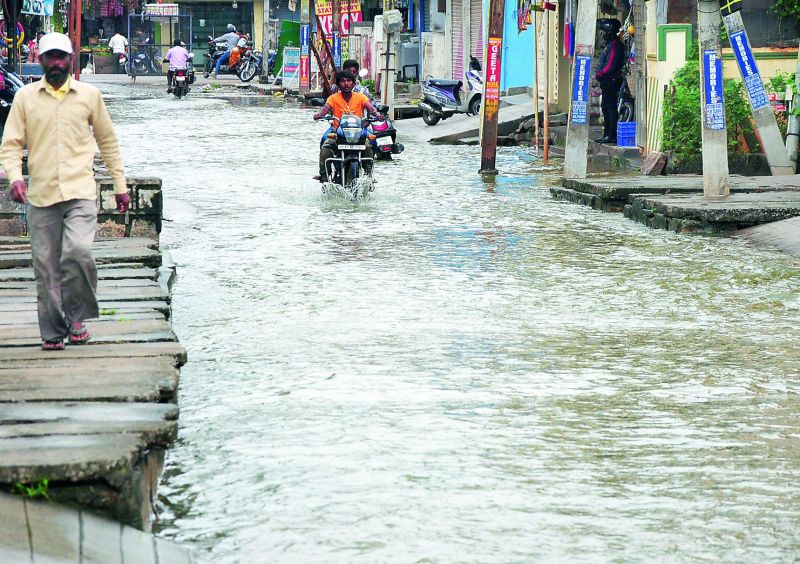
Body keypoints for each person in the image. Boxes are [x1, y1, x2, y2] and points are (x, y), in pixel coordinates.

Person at [0, 33, 130, 351]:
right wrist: (15, 177)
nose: (56, 63)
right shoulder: (26, 98)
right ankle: (53, 332)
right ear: (41, 61)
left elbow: (108, 142)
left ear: (71, 59)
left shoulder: (89, 96)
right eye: (50, 58)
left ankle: (76, 318)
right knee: (45, 266)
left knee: (77, 254)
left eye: (61, 57)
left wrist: (120, 186)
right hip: (42, 195)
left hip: (80, 191)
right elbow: (11, 144)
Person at [312, 70, 382, 182]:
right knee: (325, 144)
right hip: (337, 131)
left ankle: (369, 174)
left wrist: (377, 114)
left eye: (349, 81)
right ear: (338, 84)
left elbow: (371, 108)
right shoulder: (333, 98)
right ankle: (324, 174)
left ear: (353, 83)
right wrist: (319, 115)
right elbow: (325, 109)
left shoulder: (361, 97)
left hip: (358, 131)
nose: (346, 84)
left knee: (370, 145)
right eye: (343, 81)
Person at [594, 18, 625, 144]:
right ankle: (607, 134)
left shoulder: (615, 45)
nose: (603, 34)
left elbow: (610, 65)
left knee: (610, 107)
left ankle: (611, 135)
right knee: (606, 107)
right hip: (607, 80)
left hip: (610, 80)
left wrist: (600, 75)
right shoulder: (610, 45)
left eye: (605, 31)